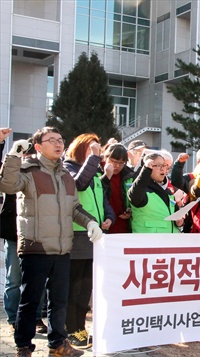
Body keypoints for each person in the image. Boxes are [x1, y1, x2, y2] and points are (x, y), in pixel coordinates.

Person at [0, 127, 102, 357]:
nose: (58, 144)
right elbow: (7, 186)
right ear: (38, 146)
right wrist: (13, 156)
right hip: (36, 246)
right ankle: (23, 346)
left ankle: (58, 344)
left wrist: (90, 223)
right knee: (30, 300)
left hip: (63, 247)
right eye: (51, 140)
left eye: (60, 140)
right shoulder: (28, 170)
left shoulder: (65, 174)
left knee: (59, 301)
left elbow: (74, 207)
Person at [63, 134, 115, 348]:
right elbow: (79, 186)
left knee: (86, 286)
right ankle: (70, 328)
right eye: (92, 149)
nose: (97, 152)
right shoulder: (69, 168)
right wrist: (94, 159)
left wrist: (109, 216)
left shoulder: (95, 170)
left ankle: (80, 328)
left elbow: (102, 199)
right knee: (73, 285)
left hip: (94, 235)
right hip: (76, 234)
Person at [0, 131, 47, 335]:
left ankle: (36, 318)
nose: (27, 156)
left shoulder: (43, 170)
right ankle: (12, 318)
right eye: (23, 152)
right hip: (14, 233)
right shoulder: (12, 170)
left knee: (37, 280)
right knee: (14, 279)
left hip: (39, 234)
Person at [128, 152, 183, 232]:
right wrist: (146, 170)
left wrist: (179, 222)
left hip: (169, 242)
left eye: (164, 165)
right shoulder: (141, 190)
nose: (163, 169)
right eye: (158, 165)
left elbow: (174, 218)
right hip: (148, 243)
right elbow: (135, 194)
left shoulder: (169, 193)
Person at [100, 143, 135, 233]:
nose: (117, 166)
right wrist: (106, 177)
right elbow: (98, 194)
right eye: (113, 161)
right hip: (103, 221)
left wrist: (130, 210)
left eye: (121, 163)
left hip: (123, 223)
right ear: (105, 157)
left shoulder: (129, 175)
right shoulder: (97, 171)